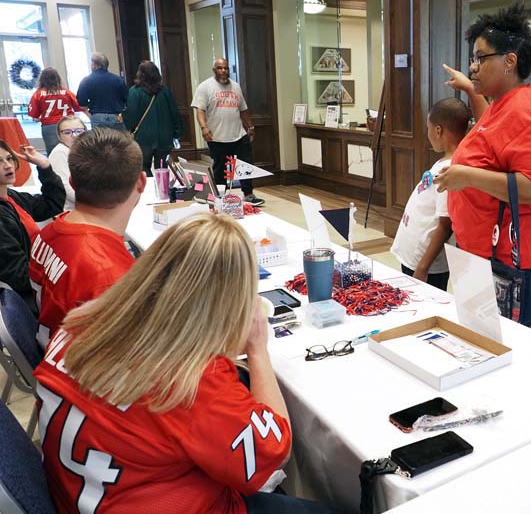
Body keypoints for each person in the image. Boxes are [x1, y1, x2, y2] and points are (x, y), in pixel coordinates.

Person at [34, 213, 334, 514]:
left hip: (89, 491)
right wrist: (257, 349)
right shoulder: (190, 380)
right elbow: (274, 450)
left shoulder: (80, 323)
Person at [437, 2, 531, 328]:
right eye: (473, 59)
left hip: (513, 256)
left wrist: (466, 176)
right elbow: (495, 139)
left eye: (481, 58)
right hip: (486, 250)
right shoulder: (503, 103)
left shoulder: (527, 109)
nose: (473, 67)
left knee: (503, 342)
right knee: (482, 337)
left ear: (510, 61)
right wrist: (469, 89)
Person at [30, 128, 145, 348]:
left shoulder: (48, 232)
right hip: (90, 367)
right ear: (141, 182)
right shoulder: (109, 273)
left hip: (58, 344)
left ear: (72, 182)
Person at [391, 98, 471, 291]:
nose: (427, 133)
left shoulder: (451, 170)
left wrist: (423, 267)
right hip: (414, 257)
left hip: (427, 265)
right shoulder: (444, 162)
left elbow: (446, 224)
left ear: (438, 130)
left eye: (428, 127)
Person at [0, 141, 64, 311]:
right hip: (30, 297)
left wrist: (44, 166)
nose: (7, 166)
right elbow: (18, 274)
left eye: (9, 159)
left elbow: (51, 204)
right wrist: (59, 276)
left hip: (40, 281)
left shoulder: (12, 197)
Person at [192, 58, 265, 206]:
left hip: (239, 134)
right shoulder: (205, 87)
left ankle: (249, 194)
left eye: (225, 68)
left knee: (245, 164)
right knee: (220, 168)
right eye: (220, 68)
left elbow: (243, 109)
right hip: (217, 137)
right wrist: (204, 128)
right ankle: (220, 196)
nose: (223, 71)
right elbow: (200, 110)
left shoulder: (235, 87)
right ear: (214, 70)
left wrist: (250, 127)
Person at [123, 61, 182, 176]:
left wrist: (129, 128)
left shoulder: (135, 92)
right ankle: (162, 190)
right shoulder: (165, 91)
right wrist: (177, 132)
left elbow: (131, 115)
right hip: (164, 137)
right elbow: (174, 113)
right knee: (162, 167)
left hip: (143, 137)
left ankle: (149, 190)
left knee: (143, 167)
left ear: (140, 74)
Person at [27, 67, 81, 155]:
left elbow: (34, 116)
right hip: (67, 124)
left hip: (49, 126)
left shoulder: (38, 94)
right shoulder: (66, 92)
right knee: (72, 150)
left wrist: (43, 117)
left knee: (53, 153)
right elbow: (79, 106)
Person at [76, 52, 129, 131]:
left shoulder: (86, 80)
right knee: (118, 142)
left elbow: (81, 102)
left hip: (97, 116)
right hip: (116, 116)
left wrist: (90, 114)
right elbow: (127, 100)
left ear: (94, 64)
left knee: (101, 142)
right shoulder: (118, 79)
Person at [47, 115, 87, 211]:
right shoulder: (60, 152)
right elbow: (65, 187)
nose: (74, 135)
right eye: (67, 132)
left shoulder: (84, 150)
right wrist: (92, 203)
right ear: (59, 136)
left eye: (79, 131)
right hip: (71, 209)